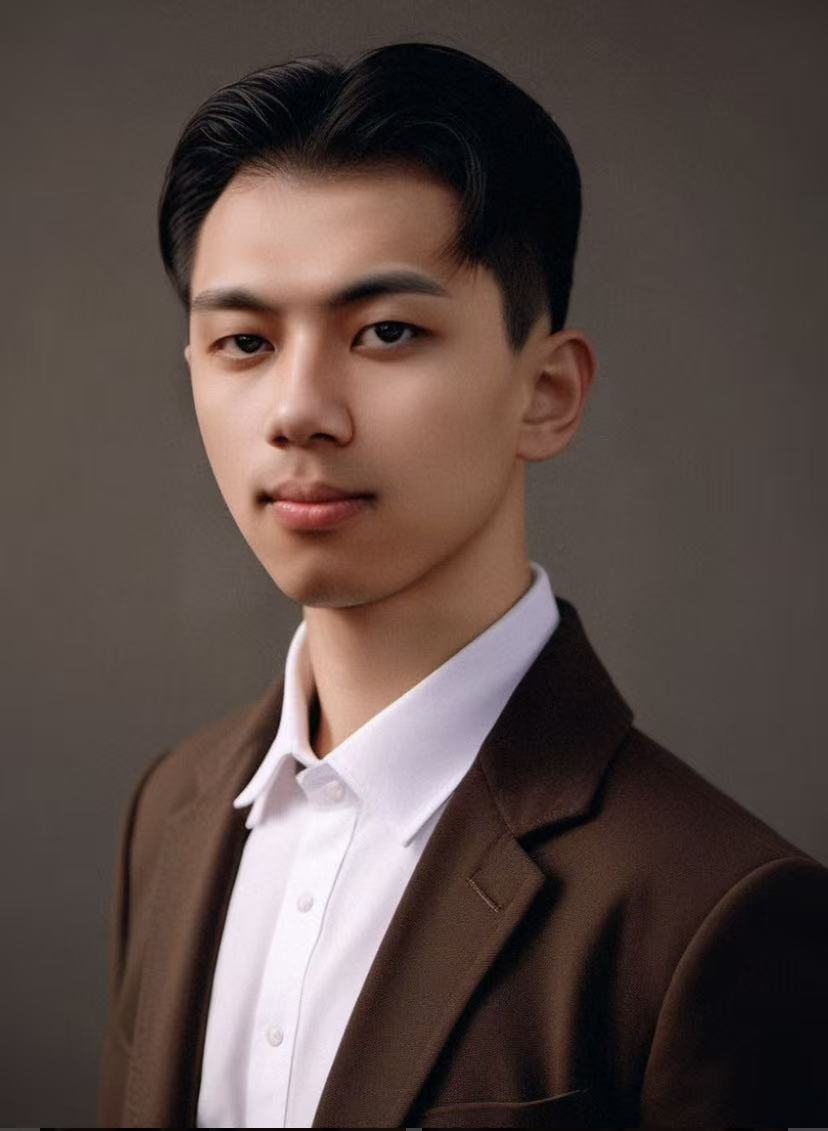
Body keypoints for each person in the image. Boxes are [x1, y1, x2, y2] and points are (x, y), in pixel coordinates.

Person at [97, 41, 828, 1129]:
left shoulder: (715, 912)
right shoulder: (170, 809)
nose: (298, 409)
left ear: (546, 392)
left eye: (387, 331)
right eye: (244, 339)